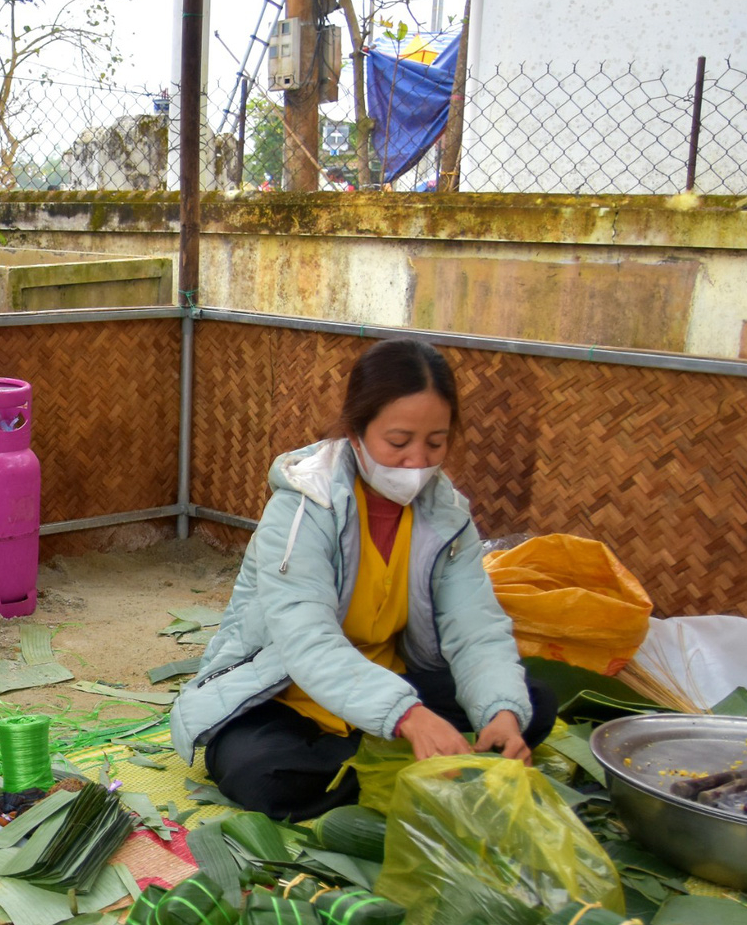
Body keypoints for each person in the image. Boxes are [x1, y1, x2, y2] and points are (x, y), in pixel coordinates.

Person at [169, 338, 557, 820]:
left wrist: (499, 714)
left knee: (529, 703)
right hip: (285, 691)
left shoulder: (446, 516)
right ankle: (401, 764)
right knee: (259, 772)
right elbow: (307, 644)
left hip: (390, 680)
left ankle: (387, 763)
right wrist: (408, 717)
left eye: (435, 443)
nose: (417, 461)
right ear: (357, 432)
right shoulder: (303, 507)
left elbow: (475, 629)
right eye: (398, 443)